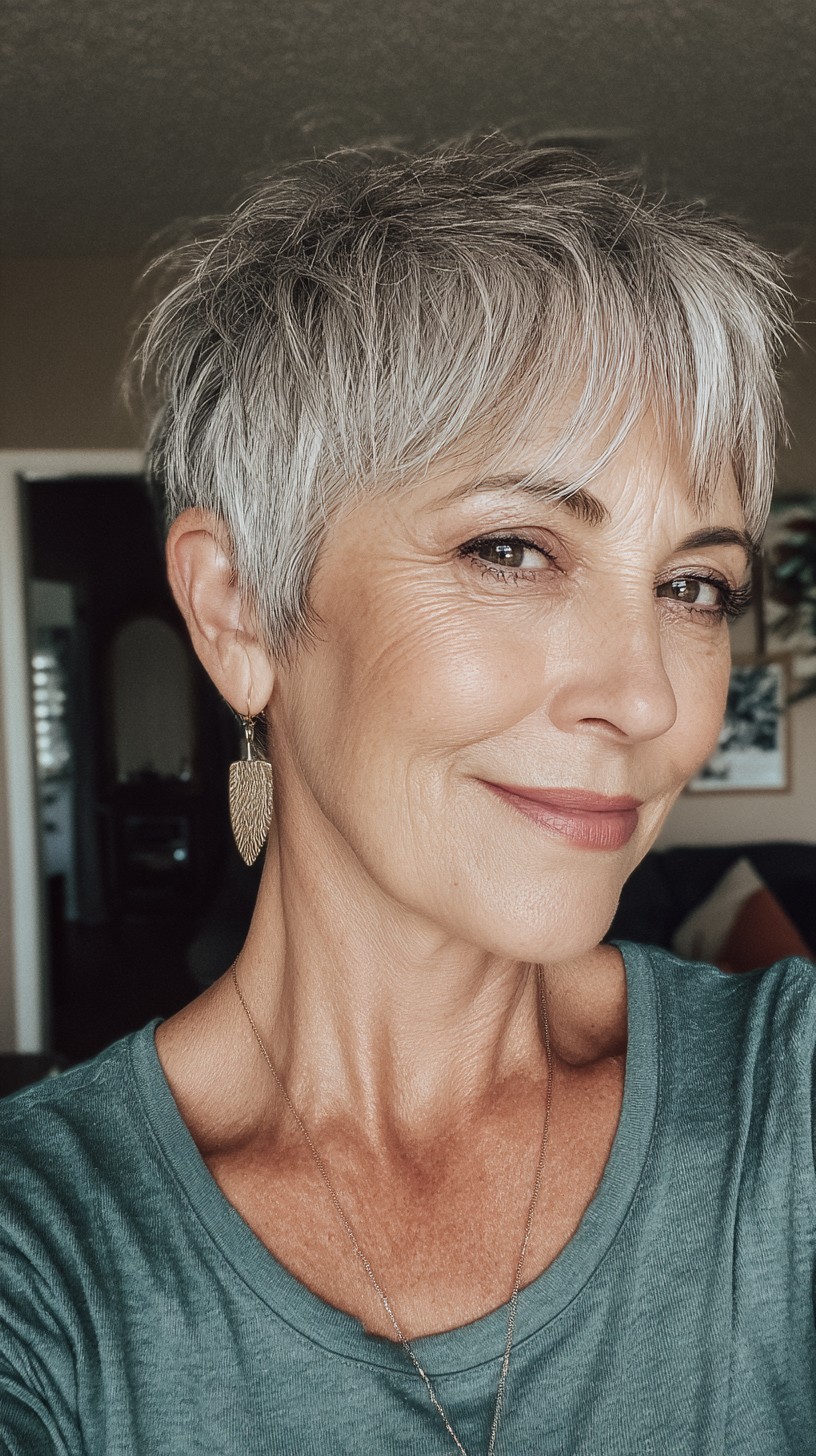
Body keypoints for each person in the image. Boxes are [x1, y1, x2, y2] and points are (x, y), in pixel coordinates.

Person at [1, 136, 813, 1456]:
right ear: (241, 611)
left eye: (694, 586)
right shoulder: (44, 1255)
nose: (648, 698)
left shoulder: (788, 1105)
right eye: (513, 549)